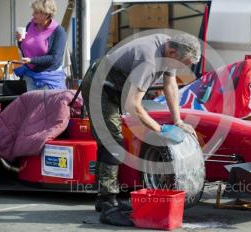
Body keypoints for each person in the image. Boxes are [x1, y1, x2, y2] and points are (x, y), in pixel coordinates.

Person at [81, 33, 201, 226]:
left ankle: (103, 198)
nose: (181, 69)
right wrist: (160, 129)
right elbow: (133, 105)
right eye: (182, 64)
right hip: (100, 87)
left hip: (115, 86)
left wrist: (178, 120)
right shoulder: (149, 60)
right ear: (171, 52)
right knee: (113, 143)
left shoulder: (169, 49)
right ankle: (108, 205)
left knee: (111, 141)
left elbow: (170, 85)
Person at [14, 0, 67, 91]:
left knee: (47, 105)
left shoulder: (59, 31)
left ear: (46, 14)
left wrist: (31, 60)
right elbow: (25, 49)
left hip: (49, 78)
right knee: (28, 104)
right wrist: (20, 41)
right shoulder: (30, 25)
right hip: (30, 75)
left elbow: (54, 58)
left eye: (36, 12)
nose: (33, 15)